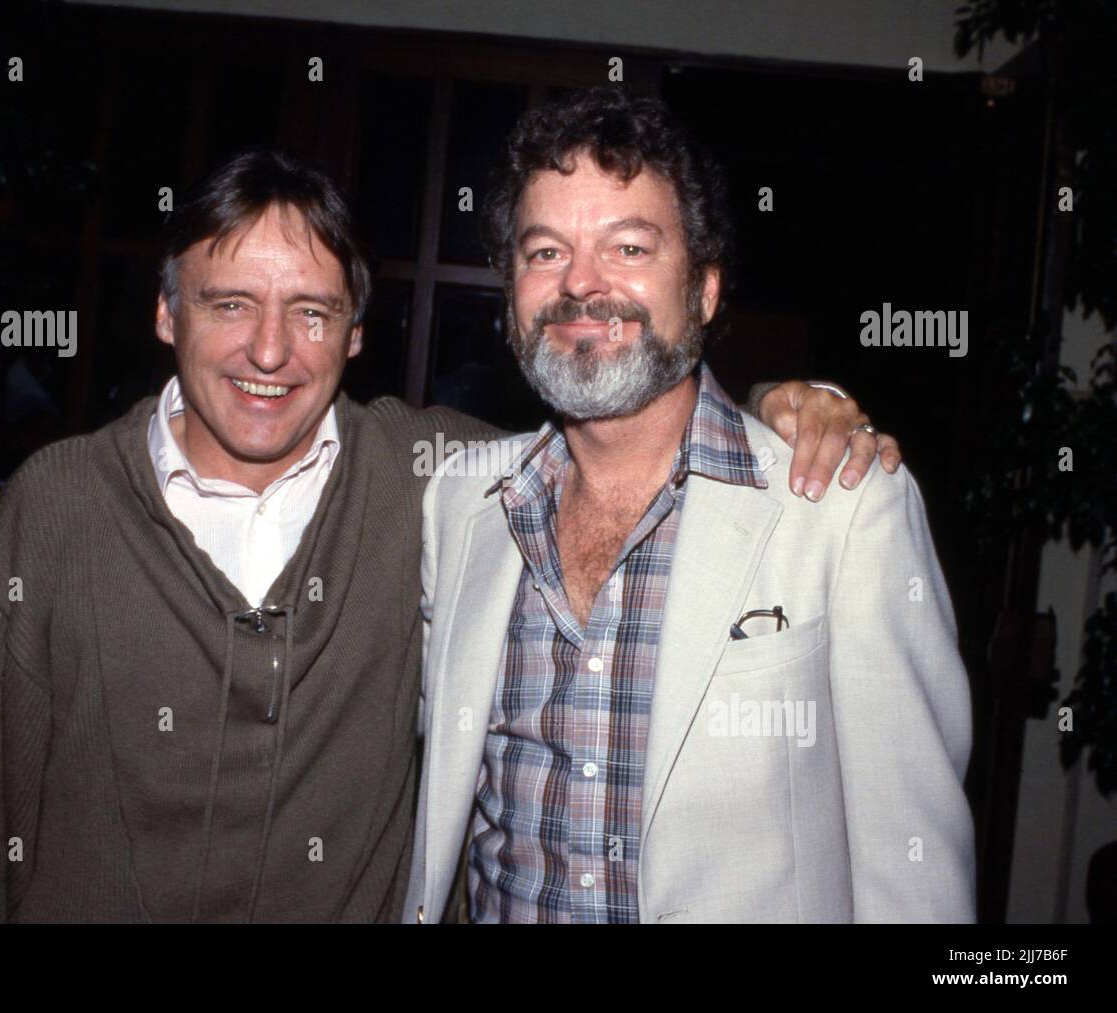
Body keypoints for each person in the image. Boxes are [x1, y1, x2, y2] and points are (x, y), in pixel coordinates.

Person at [0, 146, 896, 923]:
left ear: (355, 338)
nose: (270, 349)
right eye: (231, 303)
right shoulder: (60, 503)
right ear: (169, 314)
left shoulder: (434, 483)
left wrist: (782, 400)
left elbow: (625, 434)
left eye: (311, 313)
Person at [404, 88, 974, 924]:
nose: (582, 284)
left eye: (628, 246)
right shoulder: (458, 506)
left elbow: (914, 872)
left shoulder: (845, 507)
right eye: (545, 252)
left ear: (704, 291)